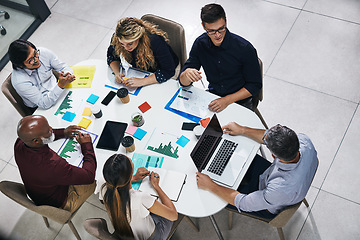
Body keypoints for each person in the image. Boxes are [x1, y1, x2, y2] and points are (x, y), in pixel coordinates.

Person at [196, 123, 318, 219]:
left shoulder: (278, 189)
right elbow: (267, 136)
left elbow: (243, 202)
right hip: (272, 178)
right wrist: (242, 129)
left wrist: (211, 186)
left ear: (274, 157)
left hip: (269, 199)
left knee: (209, 195)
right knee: (236, 152)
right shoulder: (304, 141)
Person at [179, 3, 262, 112]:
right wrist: (186, 75)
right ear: (203, 26)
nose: (217, 35)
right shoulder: (200, 44)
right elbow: (183, 82)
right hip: (214, 96)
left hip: (240, 101)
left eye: (221, 29)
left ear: (225, 22)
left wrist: (226, 100)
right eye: (211, 31)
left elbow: (255, 85)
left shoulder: (244, 48)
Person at [14, 115, 96, 213]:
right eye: (49, 131)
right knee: (99, 179)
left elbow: (42, 137)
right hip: (59, 202)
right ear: (36, 141)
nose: (52, 129)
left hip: (39, 193)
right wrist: (87, 145)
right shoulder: (53, 164)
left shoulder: (19, 143)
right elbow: (89, 176)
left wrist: (63, 132)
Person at [102, 154, 178, 240]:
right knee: (170, 210)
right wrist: (156, 186)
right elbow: (173, 215)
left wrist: (133, 178)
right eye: (130, 160)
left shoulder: (104, 189)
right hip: (152, 237)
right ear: (131, 171)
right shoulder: (140, 197)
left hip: (127, 234)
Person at [107, 17, 179, 88]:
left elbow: (168, 71)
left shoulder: (155, 41)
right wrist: (117, 73)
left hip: (167, 70)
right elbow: (112, 56)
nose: (126, 48)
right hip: (143, 70)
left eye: (130, 44)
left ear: (138, 37)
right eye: (122, 44)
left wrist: (142, 81)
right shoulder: (118, 38)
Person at [8, 39, 76, 110]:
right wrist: (60, 85)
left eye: (35, 53)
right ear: (21, 66)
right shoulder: (20, 81)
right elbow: (44, 103)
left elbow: (63, 67)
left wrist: (67, 75)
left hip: (57, 89)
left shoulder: (43, 53)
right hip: (40, 107)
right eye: (30, 60)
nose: (36, 60)